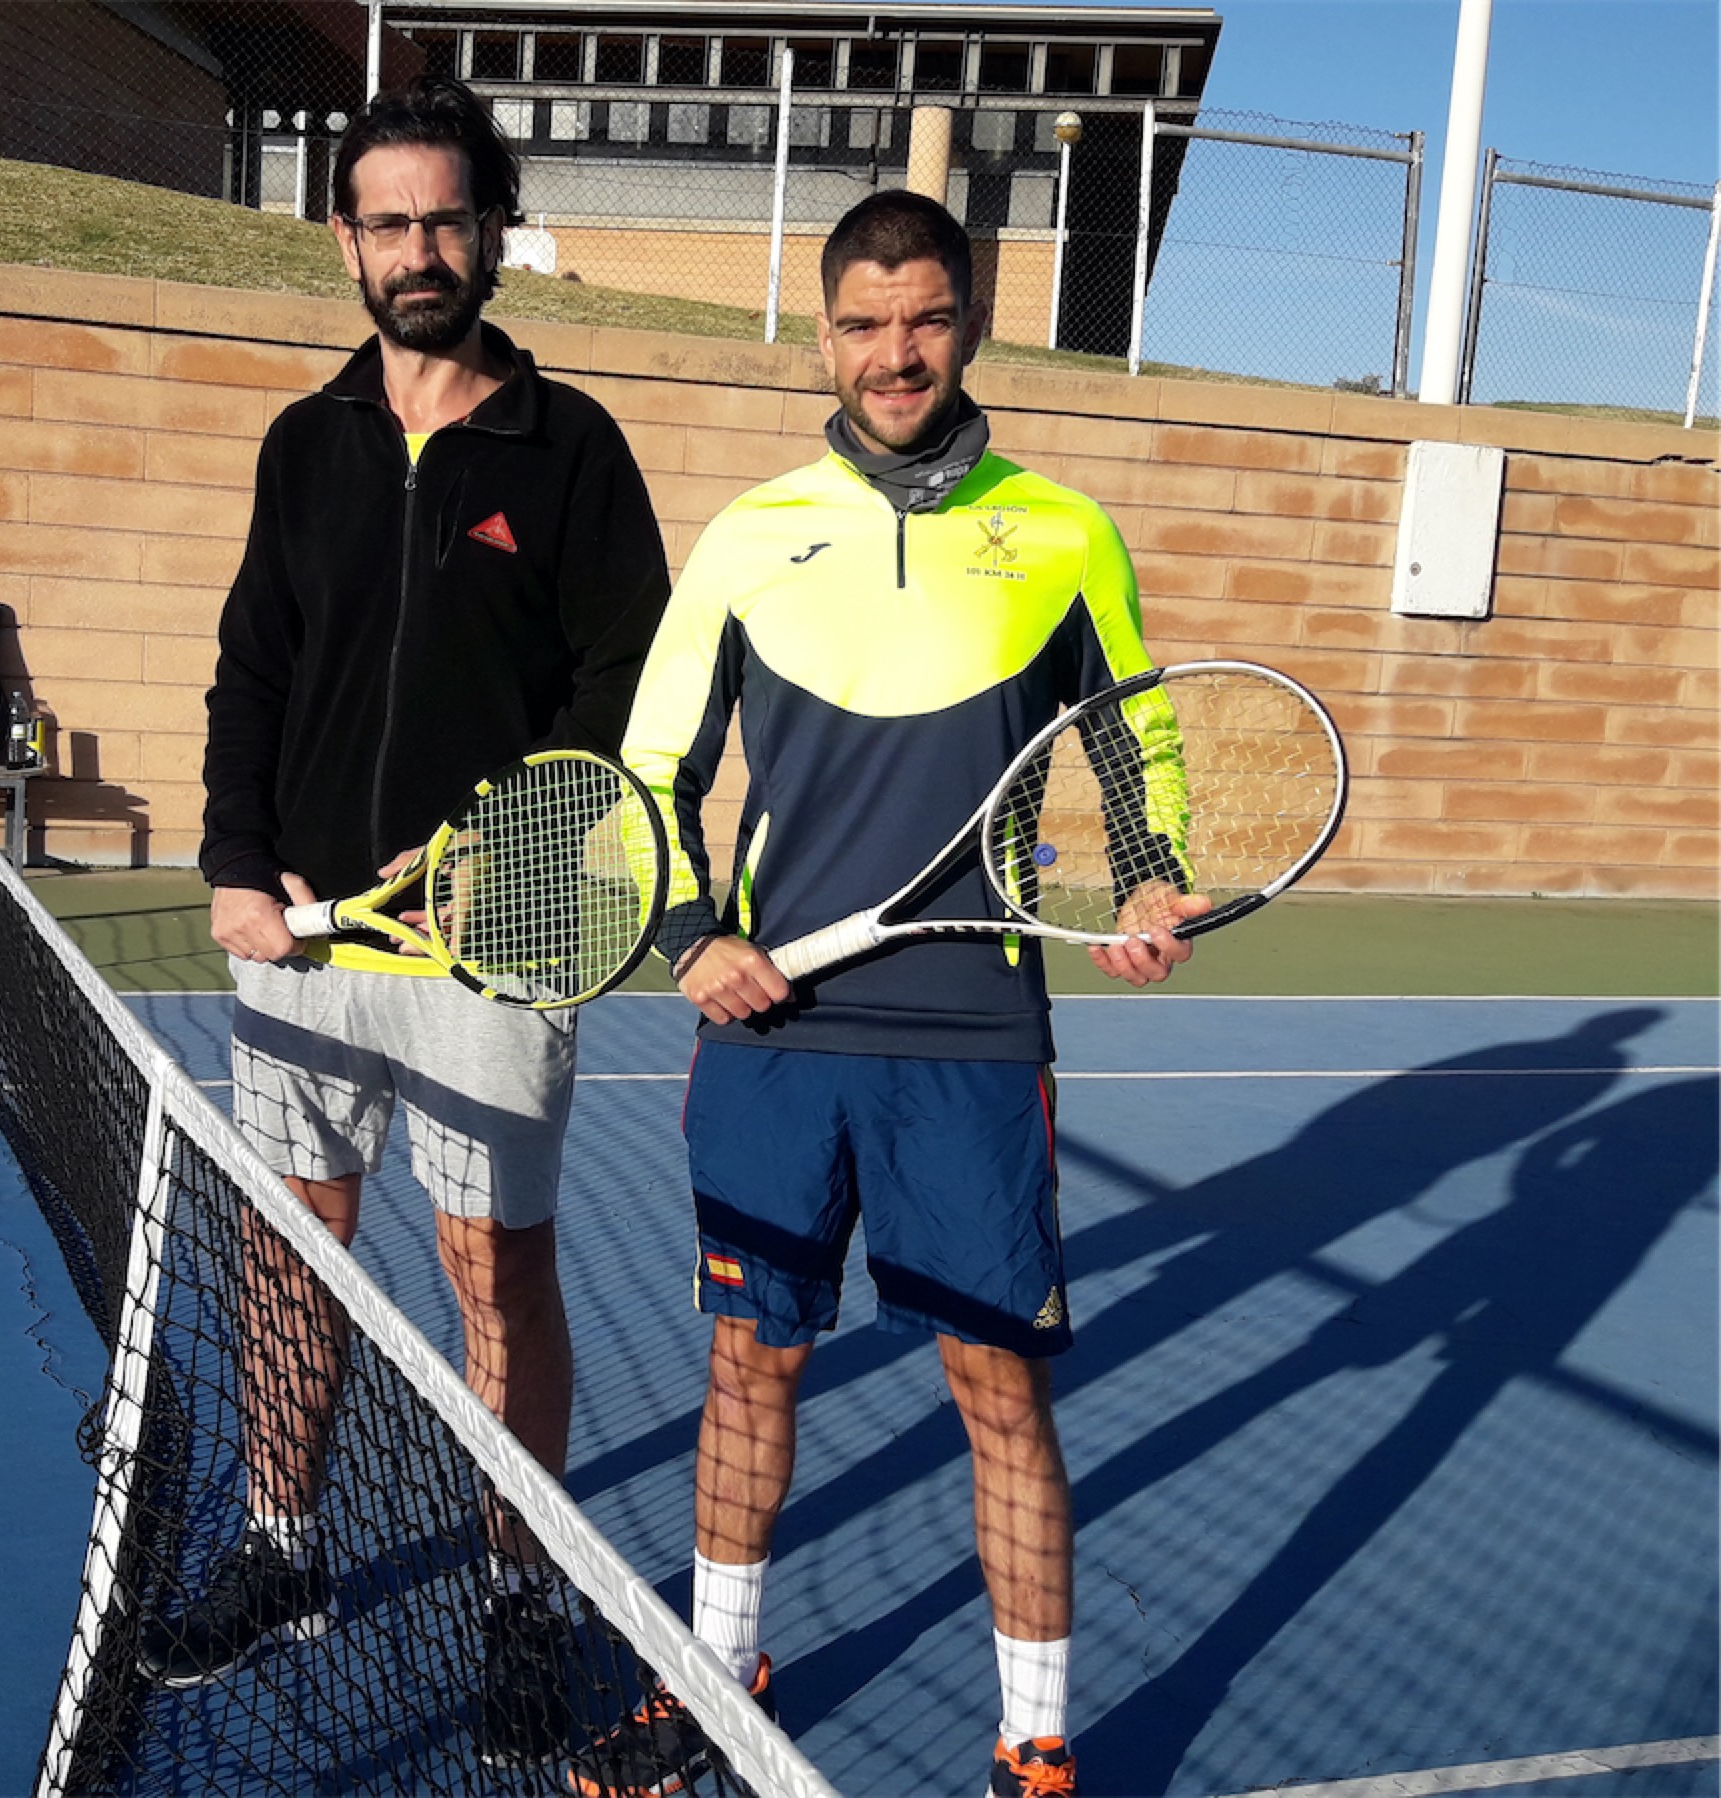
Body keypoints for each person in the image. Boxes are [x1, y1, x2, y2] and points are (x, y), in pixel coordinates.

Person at [573, 191, 1203, 1798]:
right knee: (750, 1365)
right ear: (822, 336)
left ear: (969, 324)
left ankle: (1035, 1741)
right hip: (773, 1035)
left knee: (997, 1390)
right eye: (862, 322)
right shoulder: (749, 534)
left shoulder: (1063, 533)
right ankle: (713, 1674)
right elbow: (650, 766)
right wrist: (688, 930)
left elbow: (1132, 735)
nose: (894, 352)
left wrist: (1151, 877)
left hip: (971, 1038)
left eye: (923, 318)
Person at [165, 75, 671, 1771]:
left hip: (492, 946)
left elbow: (624, 686)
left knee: (495, 1275)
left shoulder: (570, 448)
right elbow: (253, 666)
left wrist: (513, 859)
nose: (419, 251)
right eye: (388, 223)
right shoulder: (303, 443)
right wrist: (238, 863)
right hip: (310, 935)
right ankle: (282, 1545)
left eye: (446, 219)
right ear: (346, 242)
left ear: (493, 228)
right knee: (289, 1247)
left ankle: (520, 1590)